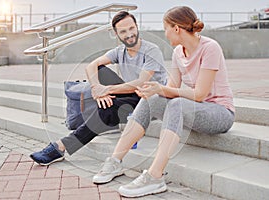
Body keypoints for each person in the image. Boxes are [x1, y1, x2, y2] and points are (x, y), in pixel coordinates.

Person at [92, 6, 235, 198]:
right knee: (153, 98)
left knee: (176, 104)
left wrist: (163, 90)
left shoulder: (210, 48)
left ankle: (154, 176)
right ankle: (115, 161)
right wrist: (153, 90)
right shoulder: (177, 52)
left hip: (220, 113)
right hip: (194, 109)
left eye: (166, 28)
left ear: (176, 28)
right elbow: (171, 89)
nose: (165, 33)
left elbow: (200, 94)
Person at [30, 11, 167, 165]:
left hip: (150, 99)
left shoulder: (151, 50)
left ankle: (61, 146)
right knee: (100, 69)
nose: (129, 34)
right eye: (123, 31)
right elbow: (91, 66)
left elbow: (141, 83)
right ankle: (108, 115)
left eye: (131, 28)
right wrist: (96, 89)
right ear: (116, 34)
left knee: (107, 109)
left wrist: (106, 90)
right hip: (130, 94)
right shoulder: (119, 52)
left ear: (136, 27)